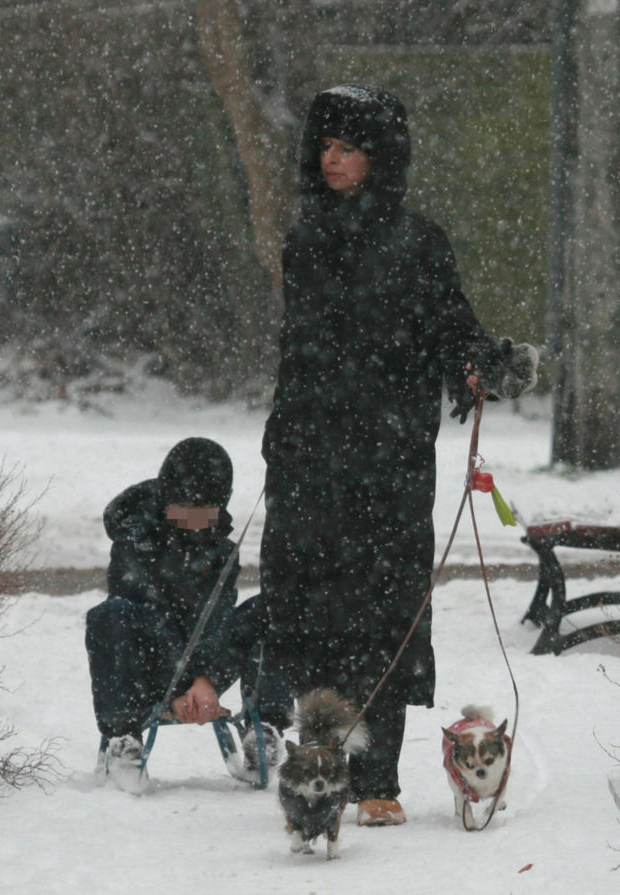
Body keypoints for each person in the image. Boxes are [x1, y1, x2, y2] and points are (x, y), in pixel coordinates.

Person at [258, 84, 538, 826]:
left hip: (388, 458)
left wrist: (481, 364)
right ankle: (320, 770)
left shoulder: (419, 242)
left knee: (383, 610)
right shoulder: (306, 239)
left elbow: (450, 327)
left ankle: (377, 776)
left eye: (348, 148)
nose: (333, 160)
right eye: (325, 146)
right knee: (312, 609)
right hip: (309, 454)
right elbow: (298, 350)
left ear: (380, 158)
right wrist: (286, 435)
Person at [86, 437, 290, 793]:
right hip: (147, 665)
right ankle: (123, 739)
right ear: (168, 497)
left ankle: (267, 728)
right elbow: (149, 613)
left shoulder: (221, 548)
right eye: (186, 508)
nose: (196, 520)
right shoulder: (134, 539)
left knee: (274, 608)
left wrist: (207, 678)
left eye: (206, 510)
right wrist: (178, 687)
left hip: (205, 666)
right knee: (110, 615)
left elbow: (219, 619)